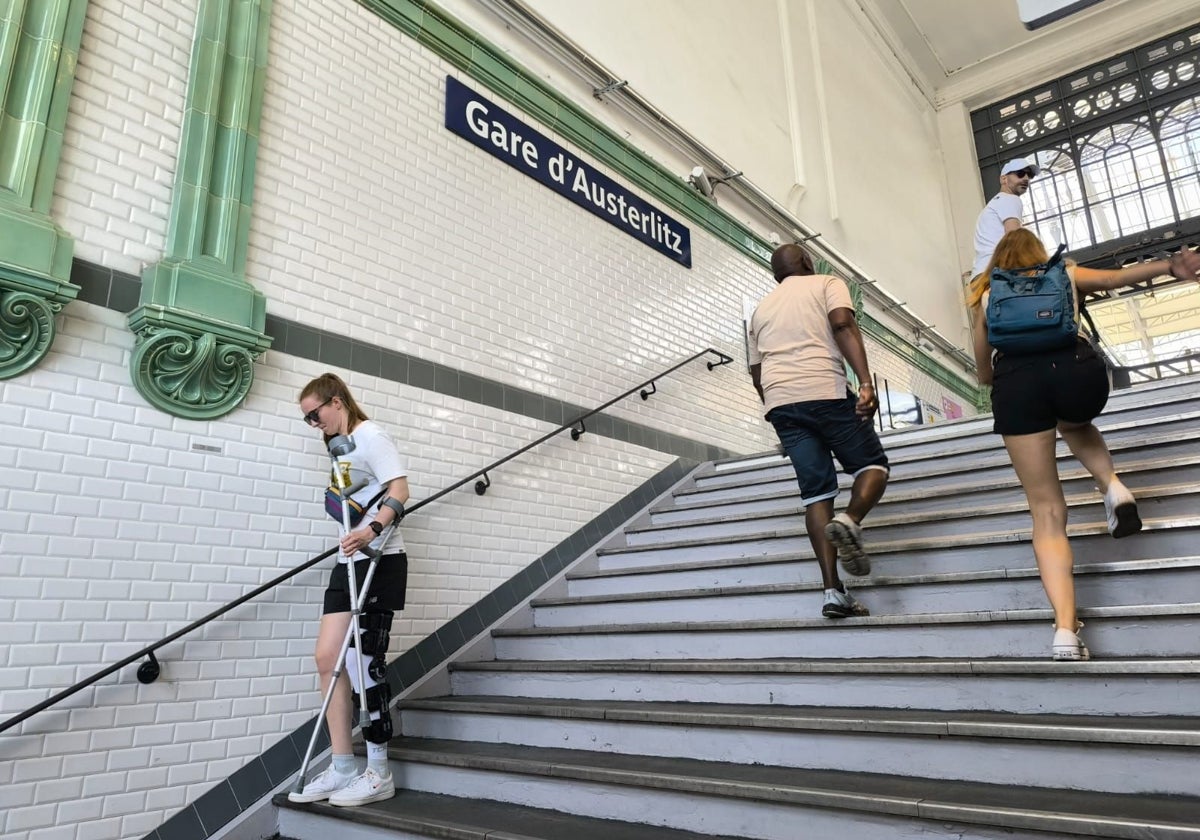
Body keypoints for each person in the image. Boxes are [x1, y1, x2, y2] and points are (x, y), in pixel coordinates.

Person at [968, 230, 1200, 660]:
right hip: (1077, 372)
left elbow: (984, 374)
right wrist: (1171, 266)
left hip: (1017, 385)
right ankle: (1113, 486)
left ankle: (1064, 632)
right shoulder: (1065, 273)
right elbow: (1114, 279)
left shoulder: (985, 295)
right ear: (1040, 254)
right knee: (1073, 423)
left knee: (1047, 512)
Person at [748, 244, 890, 618]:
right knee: (872, 467)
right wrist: (864, 382)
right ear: (809, 263)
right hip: (824, 389)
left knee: (816, 494)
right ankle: (849, 521)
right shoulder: (827, 282)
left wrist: (778, 412)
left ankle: (832, 591)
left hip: (781, 402)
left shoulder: (759, 311)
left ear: (775, 274)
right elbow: (843, 323)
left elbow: (757, 373)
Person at [289, 373, 410, 807]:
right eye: (307, 418)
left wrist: (372, 530)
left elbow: (400, 490)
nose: (312, 423)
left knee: (364, 663)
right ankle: (343, 767)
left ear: (336, 402)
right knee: (327, 658)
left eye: (314, 414)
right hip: (348, 564)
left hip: (380, 561)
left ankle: (379, 771)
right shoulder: (339, 448)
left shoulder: (371, 435)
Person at [971, 158, 1039, 279]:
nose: (1026, 178)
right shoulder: (1010, 199)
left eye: (1030, 175)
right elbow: (1015, 239)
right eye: (1020, 173)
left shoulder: (993, 204)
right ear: (1004, 179)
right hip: (996, 274)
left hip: (980, 275)